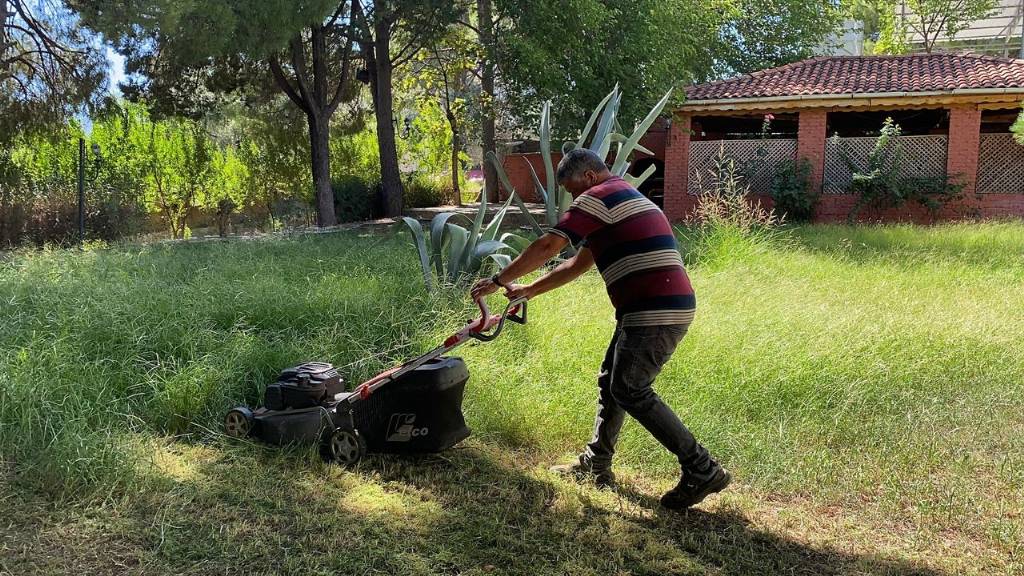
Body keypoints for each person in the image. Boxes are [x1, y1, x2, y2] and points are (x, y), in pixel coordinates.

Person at [470, 148, 730, 510]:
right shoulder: (621, 200)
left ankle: (701, 468)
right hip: (653, 308)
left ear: (589, 177)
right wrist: (529, 290)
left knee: (630, 388)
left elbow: (549, 245)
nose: (574, 200)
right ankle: (597, 464)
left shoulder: (599, 196)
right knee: (613, 382)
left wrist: (499, 280)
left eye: (574, 190)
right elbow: (579, 263)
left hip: (653, 310)